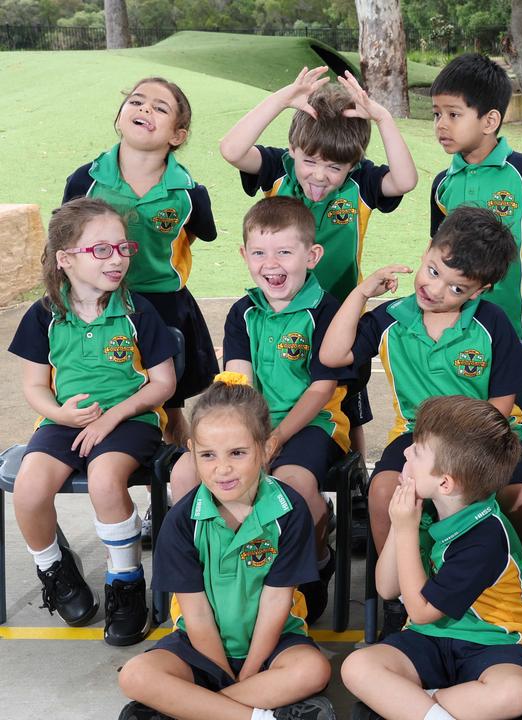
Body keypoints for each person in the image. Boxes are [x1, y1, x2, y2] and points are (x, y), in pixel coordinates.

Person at [318, 207, 522, 636]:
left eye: (456, 286)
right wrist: (362, 292)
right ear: (427, 251)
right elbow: (331, 356)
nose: (435, 289)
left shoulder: (492, 323)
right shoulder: (389, 320)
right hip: (415, 437)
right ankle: (402, 597)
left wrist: (462, 455)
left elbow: (500, 404)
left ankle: (503, 580)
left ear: (482, 290)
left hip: (488, 436)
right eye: (433, 270)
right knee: (384, 490)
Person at [169, 196, 354, 623]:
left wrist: (276, 438)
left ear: (312, 255)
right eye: (259, 253)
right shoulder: (243, 312)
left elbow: (321, 390)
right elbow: (239, 384)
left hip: (314, 425)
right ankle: (217, 568)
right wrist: (238, 440)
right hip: (255, 426)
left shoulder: (327, 311)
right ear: (244, 256)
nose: (271, 264)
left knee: (291, 487)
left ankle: (315, 560)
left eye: (284, 252)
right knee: (183, 472)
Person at [221, 66, 418, 455]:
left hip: (337, 317)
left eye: (335, 167)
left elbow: (406, 180)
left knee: (346, 404)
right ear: (294, 149)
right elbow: (231, 149)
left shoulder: (361, 182)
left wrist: (383, 118)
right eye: (310, 161)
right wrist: (281, 100)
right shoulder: (278, 171)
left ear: (352, 164)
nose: (320, 175)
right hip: (281, 308)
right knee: (283, 390)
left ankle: (353, 479)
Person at [9, 198, 177, 646]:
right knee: (28, 488)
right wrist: (61, 414)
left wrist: (115, 416)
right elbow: (35, 388)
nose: (117, 258)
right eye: (101, 250)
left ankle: (125, 584)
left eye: (123, 248)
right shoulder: (45, 313)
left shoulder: (137, 311)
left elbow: (163, 383)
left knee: (105, 481)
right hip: (64, 421)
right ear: (65, 260)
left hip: (130, 419)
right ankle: (54, 570)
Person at [117, 375, 334, 720]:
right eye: (207, 455)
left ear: (265, 449)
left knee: (314, 670)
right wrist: (223, 672)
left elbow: (277, 601)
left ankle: (196, 707)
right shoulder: (182, 520)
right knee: (135, 675)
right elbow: (197, 613)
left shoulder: (289, 510)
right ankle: (258, 714)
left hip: (273, 644)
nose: (222, 468)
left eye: (237, 452)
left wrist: (246, 674)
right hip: (198, 647)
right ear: (192, 454)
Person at [341, 396, 522, 720]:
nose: (404, 452)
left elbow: (420, 611)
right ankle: (431, 711)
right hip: (429, 640)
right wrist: (401, 523)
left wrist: (406, 529)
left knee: (512, 692)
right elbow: (387, 588)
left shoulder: (486, 536)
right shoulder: (426, 505)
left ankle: (411, 706)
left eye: (417, 450)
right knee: (357, 666)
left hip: (494, 642)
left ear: (445, 483)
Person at [62, 76, 216, 447]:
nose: (145, 108)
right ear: (120, 117)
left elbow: (196, 233)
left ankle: (172, 494)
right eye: (136, 101)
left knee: (169, 403)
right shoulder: (86, 180)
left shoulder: (189, 192)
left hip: (164, 303)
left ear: (177, 135)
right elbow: (64, 237)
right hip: (100, 301)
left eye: (160, 108)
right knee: (110, 388)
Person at [428, 52, 522, 427]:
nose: (441, 124)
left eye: (453, 114)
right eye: (436, 114)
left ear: (490, 120)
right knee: (467, 404)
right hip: (461, 319)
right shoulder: (442, 184)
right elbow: (437, 250)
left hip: (520, 316)